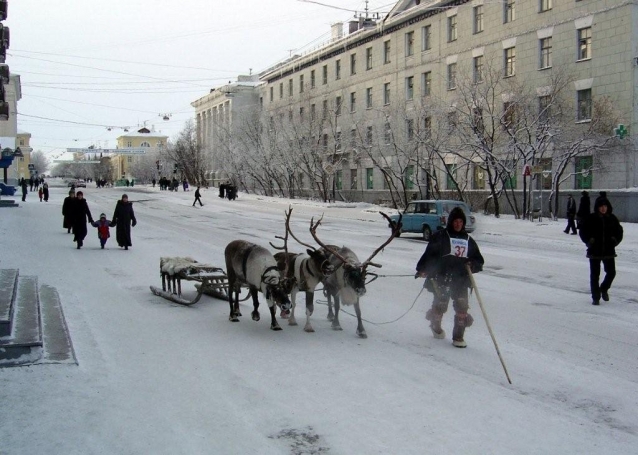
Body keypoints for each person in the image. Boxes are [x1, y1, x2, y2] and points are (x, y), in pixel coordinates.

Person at [415, 207, 484, 348]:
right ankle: (435, 324)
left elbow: (479, 260)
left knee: (462, 306)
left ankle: (458, 336)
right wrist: (423, 269)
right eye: (455, 221)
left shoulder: (468, 240)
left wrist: (472, 264)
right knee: (441, 304)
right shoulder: (440, 237)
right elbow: (430, 255)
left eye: (460, 221)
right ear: (451, 222)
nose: (458, 224)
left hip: (461, 279)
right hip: (442, 277)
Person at [579, 192, 623, 305]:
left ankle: (603, 288)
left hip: (608, 250)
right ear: (597, 207)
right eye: (601, 207)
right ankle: (596, 297)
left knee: (611, 273)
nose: (603, 209)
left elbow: (619, 231)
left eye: (605, 206)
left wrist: (615, 241)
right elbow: (583, 231)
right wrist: (589, 241)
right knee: (595, 275)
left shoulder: (612, 218)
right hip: (595, 251)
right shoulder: (591, 218)